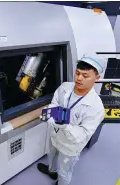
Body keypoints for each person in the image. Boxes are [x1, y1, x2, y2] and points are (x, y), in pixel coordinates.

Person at [37, 53, 106, 185]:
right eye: (77, 73)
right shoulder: (65, 87)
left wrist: (66, 127)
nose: (79, 78)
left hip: (70, 146)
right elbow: (55, 101)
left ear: (97, 77)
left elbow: (84, 134)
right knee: (51, 155)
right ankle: (51, 171)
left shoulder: (96, 107)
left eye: (85, 76)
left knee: (64, 172)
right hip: (55, 135)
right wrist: (51, 113)